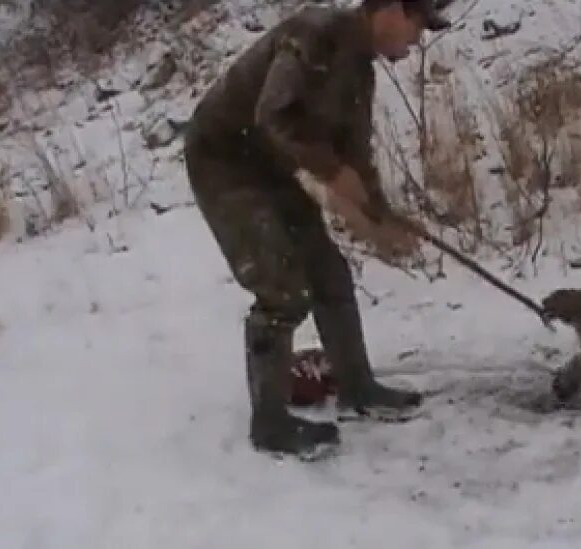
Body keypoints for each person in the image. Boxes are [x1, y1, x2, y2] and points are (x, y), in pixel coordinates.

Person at [183, 0, 451, 457]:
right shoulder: (315, 35)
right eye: (417, 23)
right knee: (282, 288)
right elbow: (273, 115)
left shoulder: (359, 72)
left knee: (330, 274)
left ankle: (358, 388)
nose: (418, 37)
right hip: (225, 163)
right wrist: (330, 171)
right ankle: (269, 424)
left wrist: (381, 216)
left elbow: (355, 156)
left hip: (274, 168)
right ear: (388, 9)